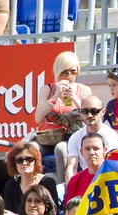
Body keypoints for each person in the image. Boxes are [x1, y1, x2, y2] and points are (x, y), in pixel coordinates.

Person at [35, 52, 92, 184]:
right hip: (49, 137)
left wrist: (76, 100)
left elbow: (90, 118)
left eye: (73, 72)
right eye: (65, 73)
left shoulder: (84, 90)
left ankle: (62, 189)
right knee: (30, 148)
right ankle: (34, 190)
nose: (69, 77)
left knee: (61, 148)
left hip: (70, 137)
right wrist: (55, 96)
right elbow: (38, 118)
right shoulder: (47, 89)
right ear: (57, 72)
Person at [65, 96, 118, 183]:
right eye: (85, 111)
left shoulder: (111, 136)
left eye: (94, 111)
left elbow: (111, 166)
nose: (89, 115)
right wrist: (70, 190)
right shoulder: (75, 137)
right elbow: (72, 167)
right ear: (80, 113)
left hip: (106, 181)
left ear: (103, 112)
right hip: (85, 180)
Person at [3, 142, 58, 215]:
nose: (24, 163)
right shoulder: (10, 185)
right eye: (19, 160)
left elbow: (52, 214)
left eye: (29, 159)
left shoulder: (47, 182)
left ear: (35, 161)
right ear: (14, 164)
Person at [64, 132, 108, 205]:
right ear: (81, 152)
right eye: (87, 149)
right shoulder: (75, 181)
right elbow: (69, 211)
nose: (91, 153)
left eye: (96, 148)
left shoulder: (115, 176)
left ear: (104, 151)